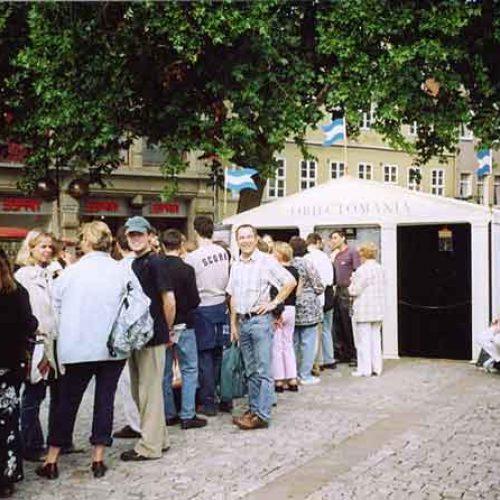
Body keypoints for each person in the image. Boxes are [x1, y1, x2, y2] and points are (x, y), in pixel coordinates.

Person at [36, 222, 130, 480]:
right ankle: (98, 457)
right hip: (113, 346)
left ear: (86, 243)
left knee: (67, 402)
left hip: (77, 346)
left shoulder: (70, 273)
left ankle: (52, 458)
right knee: (105, 401)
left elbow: (55, 310)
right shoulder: (121, 271)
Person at [228, 224, 296, 430]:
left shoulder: (266, 261)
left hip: (260, 321)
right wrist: (233, 324)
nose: (246, 240)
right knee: (250, 370)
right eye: (242, 237)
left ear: (256, 239)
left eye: (249, 237)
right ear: (237, 240)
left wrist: (274, 303)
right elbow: (232, 295)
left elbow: (290, 282)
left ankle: (262, 414)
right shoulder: (236, 264)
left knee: (263, 369)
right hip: (243, 320)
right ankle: (254, 408)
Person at [121, 216, 172, 462]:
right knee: (144, 391)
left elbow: (168, 300)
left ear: (150, 236)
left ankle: (149, 446)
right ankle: (158, 439)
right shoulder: (137, 263)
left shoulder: (156, 262)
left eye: (139, 234)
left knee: (147, 392)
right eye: (131, 235)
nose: (135, 238)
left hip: (153, 336)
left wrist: (167, 330)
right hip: (141, 337)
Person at [14, 231, 62, 462]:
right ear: (30, 248)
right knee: (34, 394)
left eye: (50, 247)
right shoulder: (24, 275)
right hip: (36, 342)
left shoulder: (52, 272)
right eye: (42, 246)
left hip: (55, 340)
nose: (47, 251)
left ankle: (56, 439)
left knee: (58, 393)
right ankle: (30, 443)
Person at [0, 248, 38, 498]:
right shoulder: (17, 292)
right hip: (9, 366)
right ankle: (7, 476)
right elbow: (30, 324)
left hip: (8, 366)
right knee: (7, 423)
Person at [185, 216, 231, 416]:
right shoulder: (223, 252)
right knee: (219, 354)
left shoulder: (193, 257)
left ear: (196, 231)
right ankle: (224, 396)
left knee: (204, 357)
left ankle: (208, 400)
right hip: (221, 304)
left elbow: (189, 286)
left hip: (203, 308)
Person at [161, 229, 206, 429]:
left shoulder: (156, 267)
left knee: (164, 372)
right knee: (189, 369)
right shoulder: (186, 269)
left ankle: (168, 413)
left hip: (162, 327)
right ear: (180, 245)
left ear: (162, 246)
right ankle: (188, 414)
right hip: (185, 324)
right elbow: (195, 300)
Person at [111, 227, 142, 440]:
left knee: (127, 379)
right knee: (147, 379)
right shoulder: (146, 264)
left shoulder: (118, 268)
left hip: (124, 329)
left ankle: (136, 423)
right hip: (146, 328)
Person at [290, 237, 324, 385]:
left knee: (293, 342)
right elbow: (318, 285)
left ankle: (293, 373)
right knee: (308, 341)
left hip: (291, 305)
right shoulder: (307, 263)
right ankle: (305, 374)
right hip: (308, 307)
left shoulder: (288, 263)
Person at [348, 242, 385, 377]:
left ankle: (364, 369)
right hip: (377, 308)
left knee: (363, 340)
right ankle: (377, 368)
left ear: (363, 254)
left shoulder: (362, 270)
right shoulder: (380, 268)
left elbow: (354, 290)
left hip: (364, 309)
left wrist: (351, 283)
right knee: (376, 339)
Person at [271, 242, 299, 392]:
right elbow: (298, 291)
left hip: (280, 308)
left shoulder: (277, 271)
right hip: (292, 308)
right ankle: (292, 378)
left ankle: (279, 380)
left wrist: (277, 311)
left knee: (277, 346)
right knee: (288, 344)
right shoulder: (295, 270)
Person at [305, 233, 336, 371]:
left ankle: (318, 361)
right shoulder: (325, 257)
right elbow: (330, 279)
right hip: (327, 294)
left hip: (313, 296)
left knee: (314, 331)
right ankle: (329, 358)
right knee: (327, 329)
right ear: (317, 242)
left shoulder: (306, 258)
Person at [330, 229, 361, 366]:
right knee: (338, 324)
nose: (333, 241)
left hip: (347, 291)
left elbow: (357, 272)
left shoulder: (352, 252)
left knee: (348, 324)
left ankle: (354, 355)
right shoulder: (335, 255)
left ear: (343, 238)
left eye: (335, 238)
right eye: (332, 238)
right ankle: (343, 354)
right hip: (337, 291)